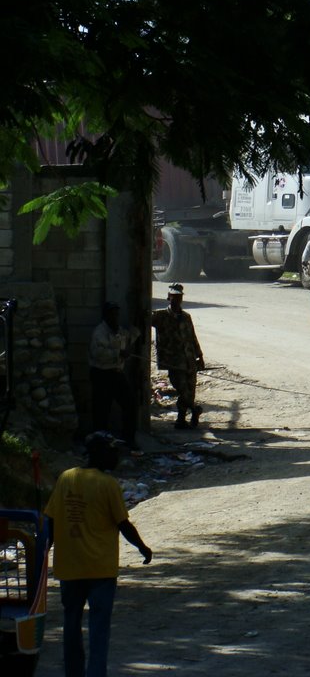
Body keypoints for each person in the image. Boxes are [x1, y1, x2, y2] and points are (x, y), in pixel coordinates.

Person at [45, 431, 153, 677]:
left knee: (71, 624)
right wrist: (142, 547)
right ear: (99, 454)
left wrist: (45, 549)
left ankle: (73, 673)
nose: (116, 457)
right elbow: (123, 524)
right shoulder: (108, 485)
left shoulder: (66, 478)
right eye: (112, 452)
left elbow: (50, 520)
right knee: (99, 628)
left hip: (69, 567)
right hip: (100, 569)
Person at [151, 283, 205, 429]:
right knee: (183, 390)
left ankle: (181, 420)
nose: (176, 300)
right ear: (168, 297)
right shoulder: (161, 316)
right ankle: (195, 409)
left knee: (190, 391)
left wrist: (199, 356)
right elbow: (144, 319)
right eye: (173, 297)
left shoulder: (186, 317)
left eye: (178, 297)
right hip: (174, 362)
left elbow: (192, 337)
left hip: (189, 361)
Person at [88, 302, 140, 452]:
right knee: (102, 410)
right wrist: (118, 353)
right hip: (101, 374)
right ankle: (100, 444)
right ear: (106, 316)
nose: (115, 317)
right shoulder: (100, 332)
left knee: (130, 404)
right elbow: (98, 354)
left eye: (117, 314)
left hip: (116, 373)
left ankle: (129, 438)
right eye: (112, 314)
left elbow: (129, 337)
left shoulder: (119, 331)